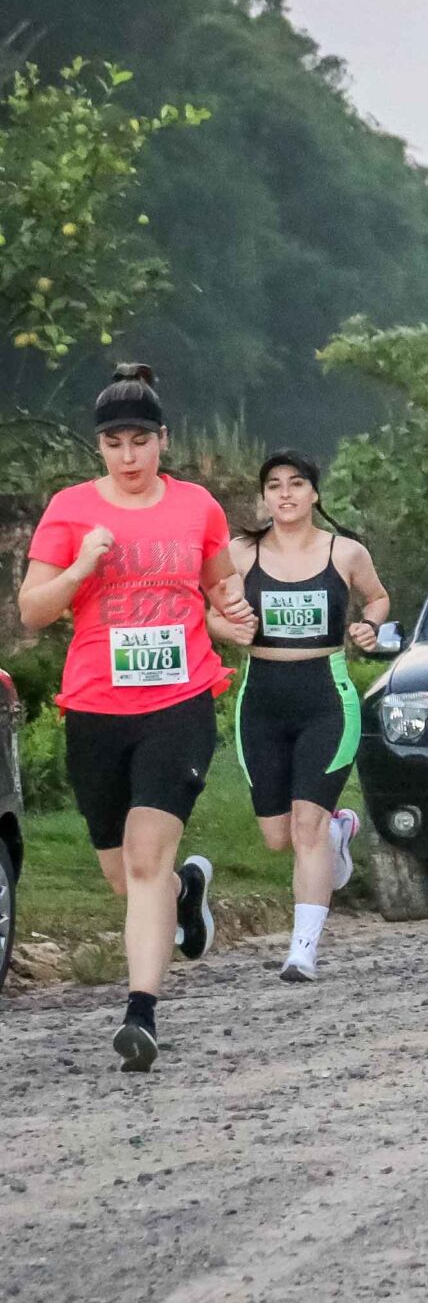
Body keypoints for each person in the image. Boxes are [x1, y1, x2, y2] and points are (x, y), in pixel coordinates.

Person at [18, 365, 252, 1071]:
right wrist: (82, 566)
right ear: (100, 448)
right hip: (95, 707)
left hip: (178, 702)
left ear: (162, 442)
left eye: (140, 441)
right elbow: (32, 610)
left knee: (148, 857)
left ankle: (140, 1013)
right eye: (115, 442)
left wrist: (230, 616)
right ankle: (187, 895)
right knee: (125, 877)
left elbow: (222, 591)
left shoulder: (198, 508)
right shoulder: (68, 511)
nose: (128, 455)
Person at [228, 451, 391, 982]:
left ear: (314, 494)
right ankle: (342, 832)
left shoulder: (344, 552)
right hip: (262, 699)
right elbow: (207, 607)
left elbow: (379, 597)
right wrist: (225, 625)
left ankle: (303, 951)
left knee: (306, 827)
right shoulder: (240, 553)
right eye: (274, 485)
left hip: (326, 695)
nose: (286, 494)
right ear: (264, 498)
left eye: (297, 483)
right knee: (277, 836)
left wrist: (368, 624)